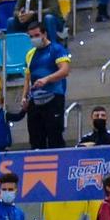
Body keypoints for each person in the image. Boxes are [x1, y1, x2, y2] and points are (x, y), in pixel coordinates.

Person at [21, 21, 71, 149]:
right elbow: (27, 78)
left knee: (55, 137)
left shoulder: (57, 49)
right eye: (31, 37)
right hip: (35, 99)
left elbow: (65, 70)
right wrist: (24, 97)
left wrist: (47, 79)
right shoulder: (30, 54)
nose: (34, 39)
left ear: (44, 34)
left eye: (36, 35)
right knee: (35, 139)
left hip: (54, 98)